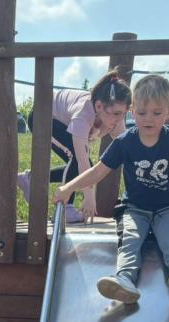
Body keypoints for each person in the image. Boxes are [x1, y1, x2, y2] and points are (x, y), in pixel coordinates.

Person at [54, 74, 169, 303]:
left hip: (168, 207)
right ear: (132, 112)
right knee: (130, 241)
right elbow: (98, 171)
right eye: (142, 112)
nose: (148, 119)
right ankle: (124, 280)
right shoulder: (125, 141)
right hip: (135, 208)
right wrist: (69, 188)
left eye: (157, 113)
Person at [22, 71, 132, 222]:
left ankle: (30, 178)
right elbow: (82, 162)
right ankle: (65, 209)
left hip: (60, 118)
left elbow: (127, 149)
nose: (120, 119)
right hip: (42, 116)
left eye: (123, 114)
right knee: (77, 159)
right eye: (116, 113)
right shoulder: (83, 115)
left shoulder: (113, 116)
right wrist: (89, 197)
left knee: (79, 164)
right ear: (99, 106)